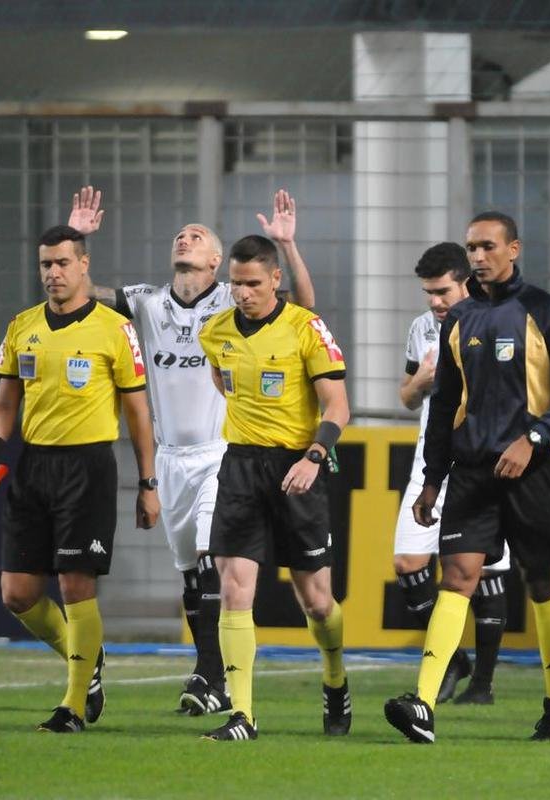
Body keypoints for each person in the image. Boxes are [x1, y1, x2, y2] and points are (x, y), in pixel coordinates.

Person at [69, 186, 316, 713]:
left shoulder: (235, 299)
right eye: (182, 234)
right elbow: (80, 292)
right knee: (190, 573)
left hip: (223, 452)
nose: (187, 236)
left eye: (199, 236)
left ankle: (212, 678)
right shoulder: (146, 301)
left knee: (210, 559)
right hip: (171, 458)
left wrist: (287, 247)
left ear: (214, 261)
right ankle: (212, 673)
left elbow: (304, 307)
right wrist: (81, 239)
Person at [384, 211, 550, 743]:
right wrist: (432, 479)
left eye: (488, 246)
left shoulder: (544, 309)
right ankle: (424, 703)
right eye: (472, 247)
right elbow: (445, 403)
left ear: (513, 248)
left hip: (532, 470)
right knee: (457, 577)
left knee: (541, 581)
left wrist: (535, 439)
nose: (478, 256)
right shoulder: (458, 319)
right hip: (472, 472)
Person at [0, 225, 158, 732]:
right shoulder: (22, 326)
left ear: (84, 265)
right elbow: (5, 405)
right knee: (17, 594)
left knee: (76, 587)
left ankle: (72, 707)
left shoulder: (114, 329)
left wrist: (148, 483)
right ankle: (85, 659)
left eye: (63, 263)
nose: (53, 273)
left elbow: (138, 414)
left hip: (88, 468)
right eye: (46, 264)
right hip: (34, 467)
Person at [196, 235, 350, 742]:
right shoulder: (215, 331)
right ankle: (243, 715)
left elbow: (337, 408)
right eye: (236, 284)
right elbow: (224, 383)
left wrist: (313, 456)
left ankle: (335, 679)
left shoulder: (306, 328)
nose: (242, 293)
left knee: (318, 604)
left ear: (275, 279)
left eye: (253, 284)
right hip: (240, 467)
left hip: (296, 468)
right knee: (235, 589)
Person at [394, 241, 511, 705]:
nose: (434, 302)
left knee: (486, 571)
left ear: (466, 282)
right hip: (432, 462)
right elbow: (405, 397)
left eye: (442, 291)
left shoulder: (499, 322)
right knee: (407, 562)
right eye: (428, 293)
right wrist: (420, 382)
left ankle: (482, 682)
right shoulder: (423, 329)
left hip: (485, 464)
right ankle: (455, 659)